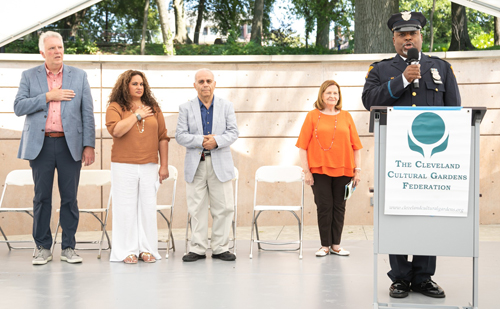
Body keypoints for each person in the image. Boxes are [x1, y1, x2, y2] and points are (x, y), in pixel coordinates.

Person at [362, 12, 461, 299]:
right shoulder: (381, 70)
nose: (408, 38)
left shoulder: (441, 67)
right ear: (393, 39)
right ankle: (400, 278)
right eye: (402, 34)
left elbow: (454, 110)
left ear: (420, 36)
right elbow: (369, 100)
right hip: (396, 161)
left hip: (432, 163)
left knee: (427, 216)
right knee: (396, 215)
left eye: (413, 33)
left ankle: (423, 277)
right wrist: (402, 81)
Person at [13, 31, 95, 265]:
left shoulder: (79, 76)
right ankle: (42, 247)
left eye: (60, 47)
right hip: (42, 145)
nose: (57, 51)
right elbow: (18, 107)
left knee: (70, 198)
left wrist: (89, 145)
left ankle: (69, 247)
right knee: (42, 198)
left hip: (71, 146)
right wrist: (49, 96)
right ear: (42, 53)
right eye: (52, 48)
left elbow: (87, 113)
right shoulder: (29, 76)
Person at [106, 70, 169, 264]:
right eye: (134, 84)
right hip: (123, 165)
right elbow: (116, 130)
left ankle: (147, 249)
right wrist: (137, 115)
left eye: (141, 84)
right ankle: (126, 251)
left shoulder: (154, 108)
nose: (139, 87)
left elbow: (163, 137)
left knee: (147, 208)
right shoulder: (115, 107)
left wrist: (164, 165)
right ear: (125, 86)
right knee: (125, 209)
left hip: (150, 164)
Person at [176, 68, 239, 262]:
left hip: (220, 162)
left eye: (208, 81)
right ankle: (198, 248)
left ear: (214, 84)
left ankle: (220, 247)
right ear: (195, 85)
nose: (205, 84)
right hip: (196, 163)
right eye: (201, 81)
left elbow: (233, 132)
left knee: (225, 207)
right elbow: (180, 135)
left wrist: (217, 141)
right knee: (197, 208)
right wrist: (201, 141)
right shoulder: (185, 108)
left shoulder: (226, 106)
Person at [296, 80, 362, 258]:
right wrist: (307, 171)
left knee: (339, 207)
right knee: (324, 206)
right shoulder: (312, 116)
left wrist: (358, 170)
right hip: (319, 170)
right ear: (322, 95)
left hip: (344, 169)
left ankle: (336, 245)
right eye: (329, 93)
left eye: (336, 93)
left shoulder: (346, 116)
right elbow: (302, 146)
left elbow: (356, 146)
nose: (333, 96)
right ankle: (324, 245)